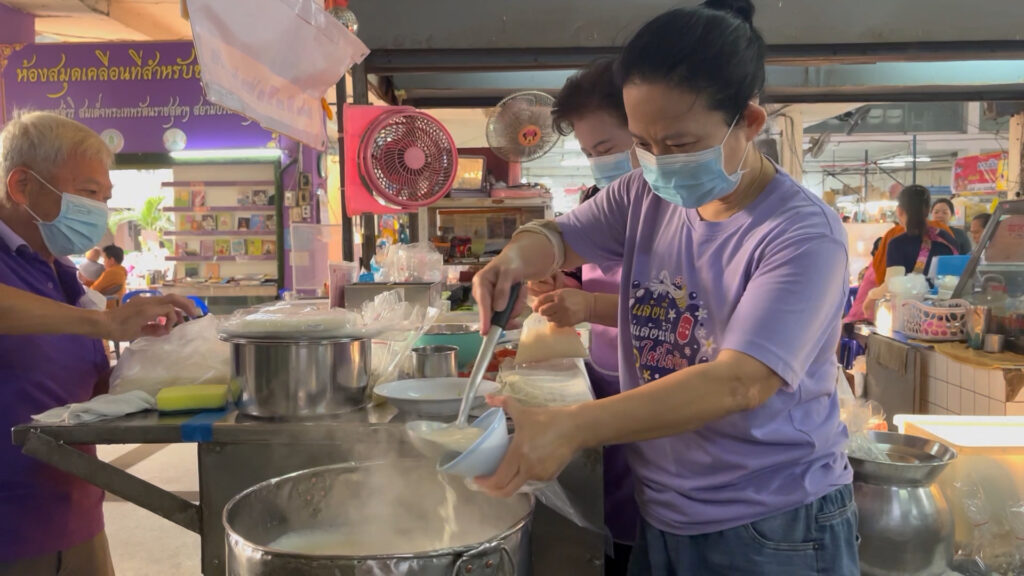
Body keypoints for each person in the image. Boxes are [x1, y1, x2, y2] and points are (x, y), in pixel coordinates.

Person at [472, 2, 858, 574]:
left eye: (679, 144)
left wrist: (572, 427)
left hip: (772, 523)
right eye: (643, 144)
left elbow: (739, 383)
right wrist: (511, 261)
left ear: (750, 122)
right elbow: (557, 237)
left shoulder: (801, 233)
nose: (657, 162)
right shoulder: (644, 195)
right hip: (664, 510)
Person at [0, 111, 196, 576]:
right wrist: (105, 323)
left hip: (76, 515)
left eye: (105, 198)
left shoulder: (62, 272)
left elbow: (86, 390)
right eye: (88, 193)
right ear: (22, 186)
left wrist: (160, 358)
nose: (99, 211)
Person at [531, 58, 639, 574]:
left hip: (657, 386)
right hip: (607, 371)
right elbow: (572, 257)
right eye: (590, 153)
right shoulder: (601, 199)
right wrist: (559, 283)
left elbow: (685, 314)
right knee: (611, 511)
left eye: (607, 149)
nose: (599, 164)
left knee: (642, 517)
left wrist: (591, 306)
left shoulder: (679, 209)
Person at [886, 185, 957, 277]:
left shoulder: (897, 244)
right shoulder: (946, 239)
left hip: (911, 287)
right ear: (928, 210)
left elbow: (893, 282)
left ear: (899, 211)